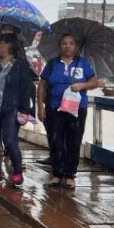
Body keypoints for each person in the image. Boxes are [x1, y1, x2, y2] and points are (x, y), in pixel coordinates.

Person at [37, 33, 98, 188]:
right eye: (64, 43)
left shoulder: (83, 63)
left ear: (75, 46)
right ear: (60, 46)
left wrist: (82, 85)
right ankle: (57, 173)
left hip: (77, 109)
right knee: (55, 140)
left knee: (74, 141)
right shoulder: (52, 64)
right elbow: (42, 86)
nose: (67, 46)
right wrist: (40, 107)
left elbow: (94, 82)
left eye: (71, 43)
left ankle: (70, 174)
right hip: (54, 107)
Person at [0, 33, 34, 188]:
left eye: (3, 43)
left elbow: (26, 88)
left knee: (10, 140)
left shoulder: (21, 65)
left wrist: (25, 110)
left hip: (11, 108)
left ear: (11, 45)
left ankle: (17, 171)